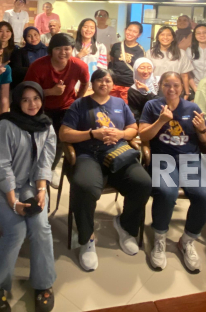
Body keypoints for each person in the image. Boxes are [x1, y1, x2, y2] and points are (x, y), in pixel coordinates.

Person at [60, 69, 152, 271]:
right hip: (88, 155)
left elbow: (133, 129)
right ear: (92, 84)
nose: (104, 83)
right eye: (99, 80)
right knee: (84, 187)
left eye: (108, 80)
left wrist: (120, 134)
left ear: (112, 84)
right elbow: (64, 133)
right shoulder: (79, 105)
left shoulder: (120, 104)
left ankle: (126, 226)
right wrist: (93, 134)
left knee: (143, 183)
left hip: (117, 153)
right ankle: (87, 238)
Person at [0, 82, 56, 312]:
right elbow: (1, 166)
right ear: (17, 102)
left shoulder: (47, 126)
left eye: (36, 98)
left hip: (31, 185)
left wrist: (41, 191)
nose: (32, 104)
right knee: (16, 230)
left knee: (41, 226)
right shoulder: (5, 125)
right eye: (25, 99)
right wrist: (13, 202)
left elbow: (46, 161)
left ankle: (43, 283)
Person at [139, 72, 206, 273]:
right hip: (163, 159)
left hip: (189, 160)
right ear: (161, 86)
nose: (171, 89)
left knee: (205, 196)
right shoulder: (152, 106)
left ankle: (187, 240)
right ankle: (160, 238)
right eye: (167, 85)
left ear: (182, 88)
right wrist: (161, 121)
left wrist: (201, 129)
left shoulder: (192, 108)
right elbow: (143, 135)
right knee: (167, 192)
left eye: (176, 85)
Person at [24, 33, 89, 157]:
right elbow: (27, 92)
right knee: (39, 140)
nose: (62, 52)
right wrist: (50, 92)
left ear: (72, 50)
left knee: (60, 140)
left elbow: (85, 83)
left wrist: (77, 100)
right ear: (51, 49)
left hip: (66, 108)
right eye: (58, 48)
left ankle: (50, 169)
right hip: (40, 108)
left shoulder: (79, 66)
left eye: (67, 49)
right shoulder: (38, 66)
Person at [147, 26, 191, 99]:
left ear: (173, 38)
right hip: (155, 90)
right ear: (158, 37)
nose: (165, 37)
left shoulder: (181, 53)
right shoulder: (150, 53)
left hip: (175, 90)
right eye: (162, 34)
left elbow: (184, 75)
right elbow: (147, 74)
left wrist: (186, 93)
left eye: (169, 35)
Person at [108, 22, 145, 102]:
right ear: (125, 30)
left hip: (129, 85)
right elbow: (112, 60)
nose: (130, 33)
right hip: (113, 83)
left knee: (125, 109)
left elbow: (139, 69)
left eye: (134, 32)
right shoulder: (116, 46)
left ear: (139, 35)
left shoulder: (140, 51)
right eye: (129, 30)